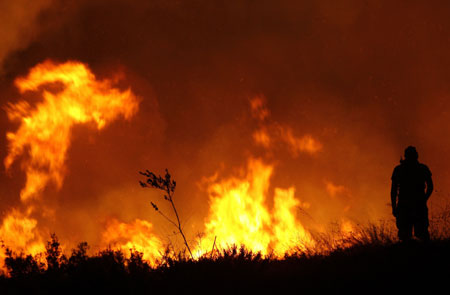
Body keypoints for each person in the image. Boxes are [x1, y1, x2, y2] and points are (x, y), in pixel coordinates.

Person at [391, 146, 433, 242]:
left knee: (406, 236)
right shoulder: (422, 168)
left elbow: (393, 191)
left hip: (405, 206)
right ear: (417, 156)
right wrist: (424, 199)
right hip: (417, 205)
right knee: (421, 234)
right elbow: (430, 187)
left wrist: (394, 207)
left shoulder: (399, 170)